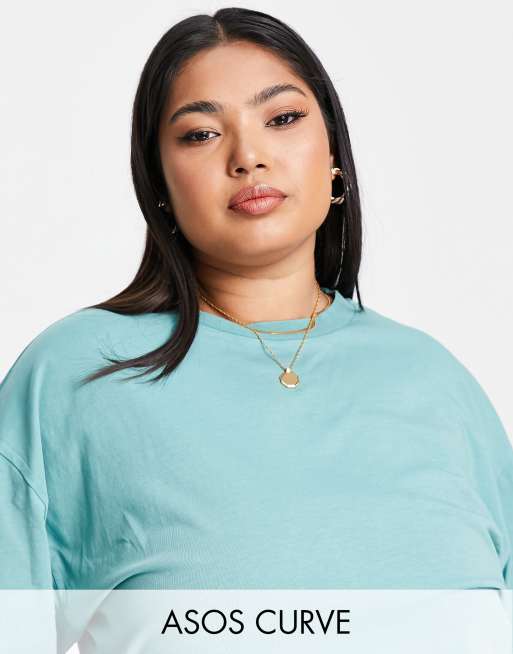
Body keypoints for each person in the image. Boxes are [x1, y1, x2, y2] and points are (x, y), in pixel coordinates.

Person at [1, 7, 512, 652]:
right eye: (200, 134)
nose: (249, 157)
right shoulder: (77, 374)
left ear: (334, 153)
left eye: (283, 119)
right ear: (158, 182)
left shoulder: (435, 382)